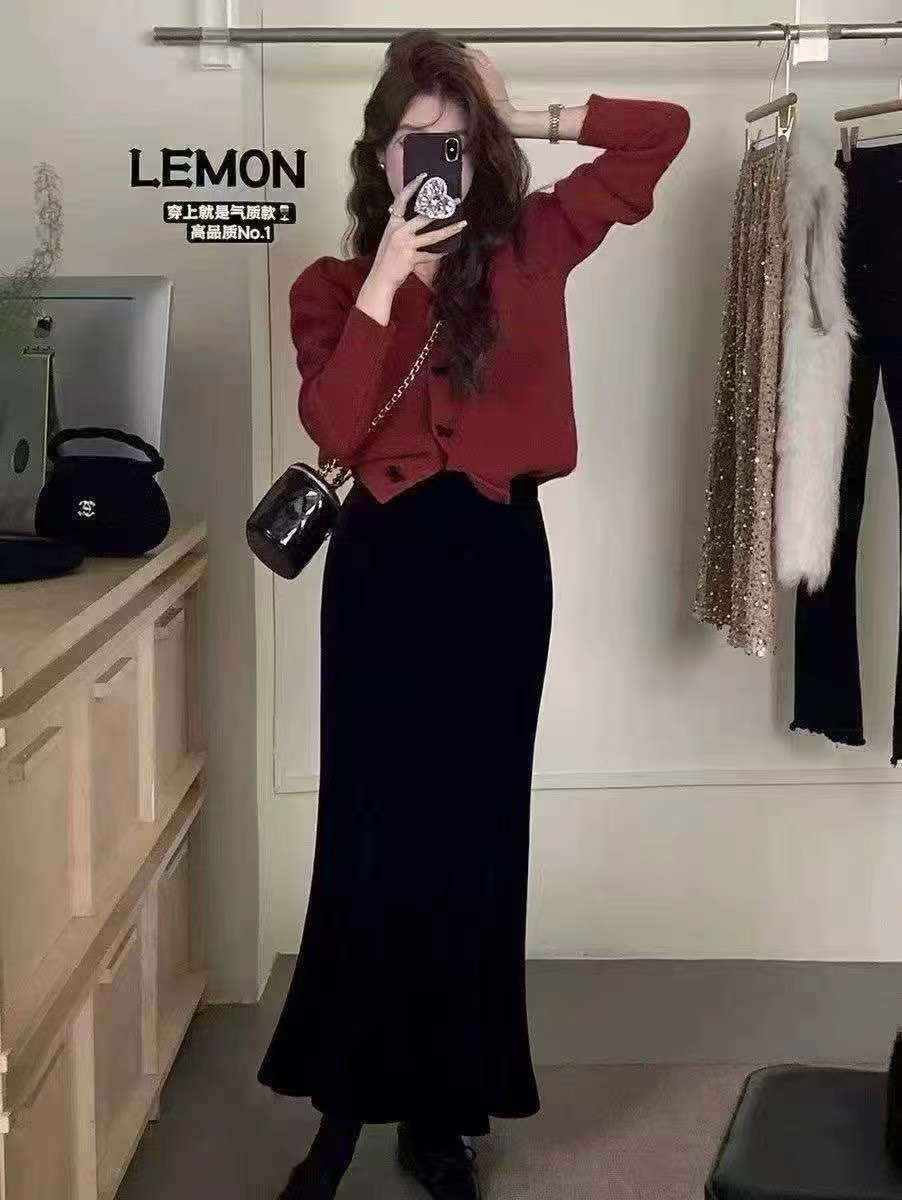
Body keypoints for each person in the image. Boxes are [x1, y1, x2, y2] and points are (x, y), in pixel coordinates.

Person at [257, 29, 690, 1200]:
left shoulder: (533, 245)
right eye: (416, 142)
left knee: (474, 836)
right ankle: (343, 1112)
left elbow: (659, 135)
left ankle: (441, 1118)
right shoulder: (331, 287)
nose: (435, 162)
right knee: (369, 836)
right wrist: (387, 280)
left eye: (455, 142)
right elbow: (333, 426)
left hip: (497, 564)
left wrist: (521, 113)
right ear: (379, 156)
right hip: (382, 569)